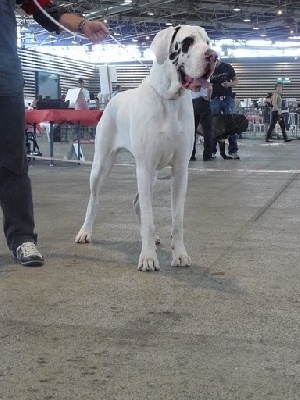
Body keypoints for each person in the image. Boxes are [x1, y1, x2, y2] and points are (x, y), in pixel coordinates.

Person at [0, 0, 108, 266]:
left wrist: (83, 25)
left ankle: (23, 238)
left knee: (13, 164)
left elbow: (46, 10)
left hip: (5, 81)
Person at [210, 54, 240, 159]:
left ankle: (233, 150)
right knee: (214, 125)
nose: (213, 64)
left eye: (214, 62)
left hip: (228, 98)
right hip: (214, 99)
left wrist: (229, 84)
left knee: (231, 124)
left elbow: (236, 81)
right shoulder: (208, 68)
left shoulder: (227, 67)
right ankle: (211, 150)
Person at [190, 84, 213, 162]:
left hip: (191, 102)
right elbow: (209, 87)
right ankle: (207, 155)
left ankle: (191, 155)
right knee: (207, 130)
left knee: (191, 131)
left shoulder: (190, 75)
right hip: (203, 101)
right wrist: (208, 98)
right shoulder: (204, 74)